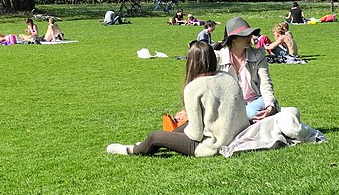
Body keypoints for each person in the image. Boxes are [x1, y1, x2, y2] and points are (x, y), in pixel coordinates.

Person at [106, 41, 249, 157]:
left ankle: (131, 150)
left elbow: (195, 133)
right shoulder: (228, 77)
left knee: (154, 137)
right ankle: (158, 142)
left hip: (213, 145)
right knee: (173, 132)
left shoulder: (194, 87)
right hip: (239, 135)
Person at [215, 16, 279, 122]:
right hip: (230, 103)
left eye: (250, 34)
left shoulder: (258, 55)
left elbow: (265, 83)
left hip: (256, 100)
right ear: (233, 38)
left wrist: (270, 106)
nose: (249, 38)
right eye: (244, 35)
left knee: (250, 113)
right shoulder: (218, 58)